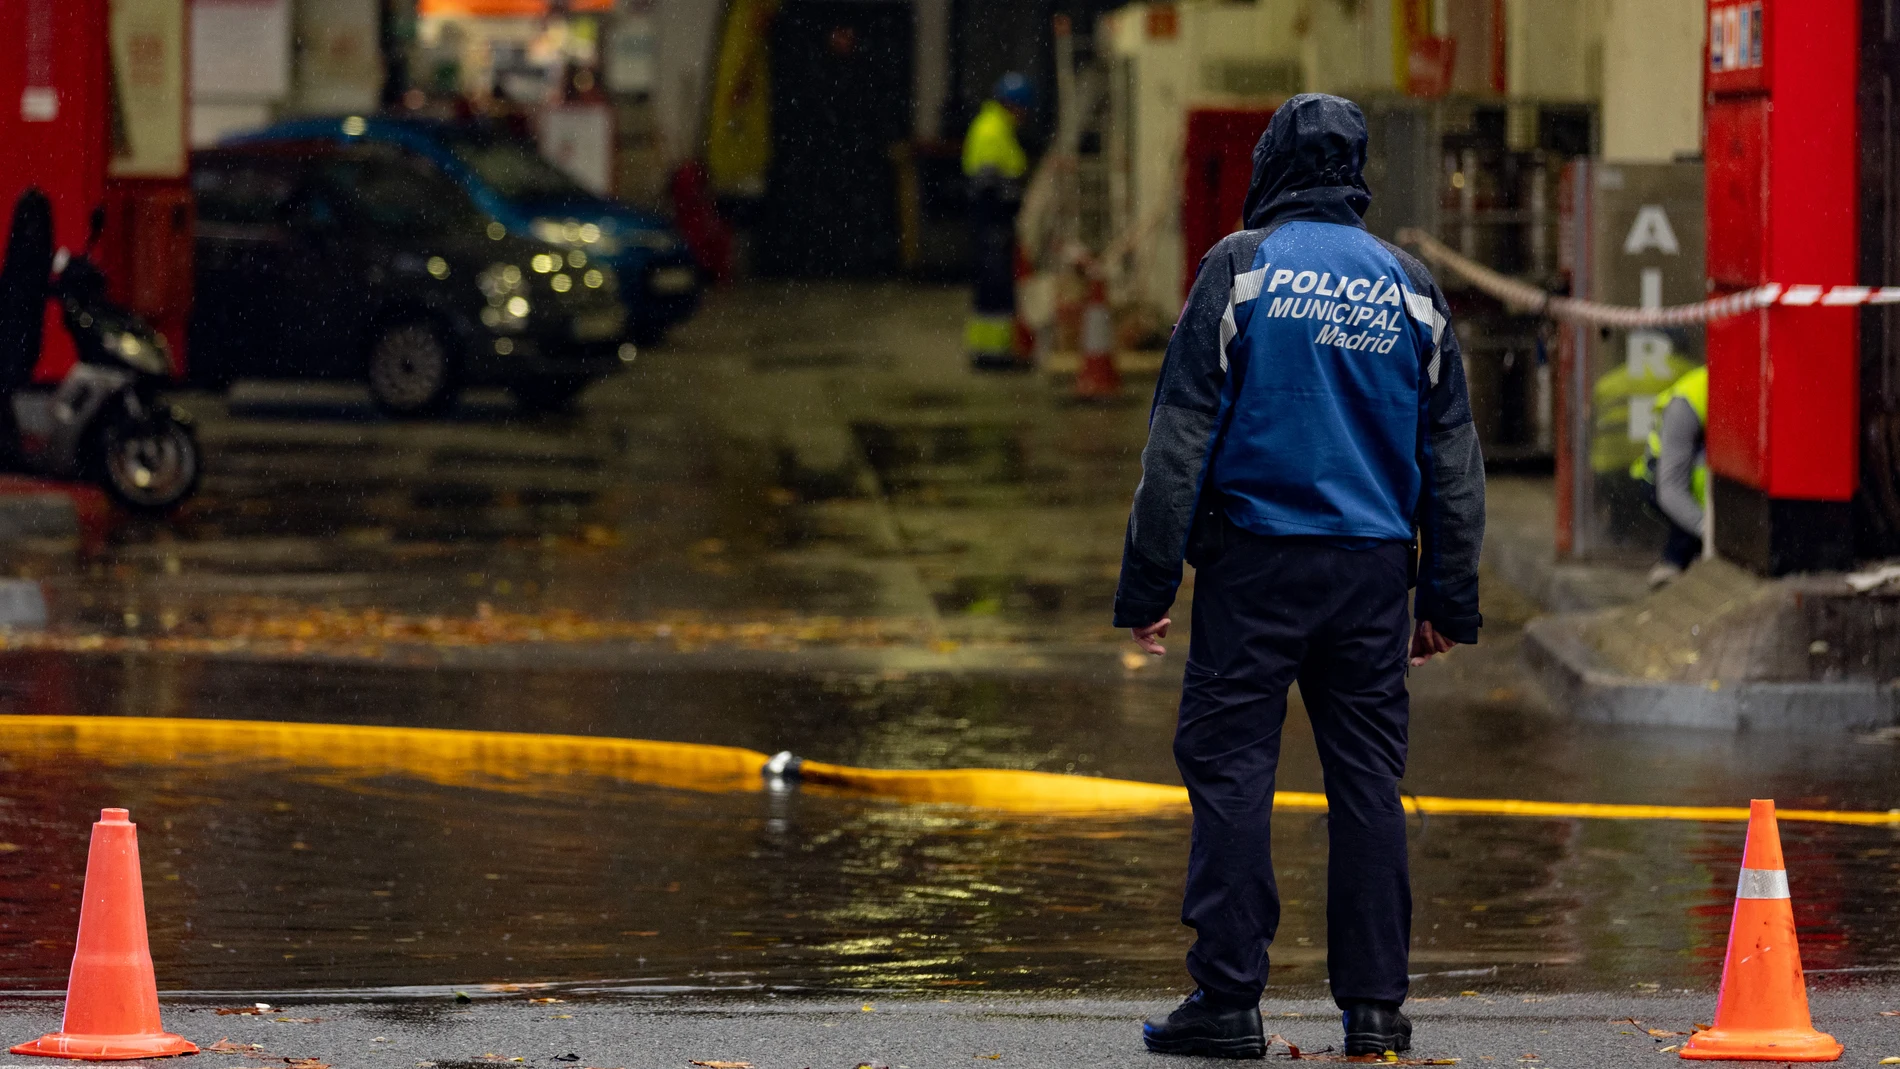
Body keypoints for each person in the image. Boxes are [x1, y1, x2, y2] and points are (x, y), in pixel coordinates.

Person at [1113, 94, 1484, 1060]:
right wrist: (1444, 596)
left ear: (1272, 163)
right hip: (1369, 575)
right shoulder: (1410, 286)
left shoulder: (1240, 269)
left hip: (1255, 565)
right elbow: (1452, 455)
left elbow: (1180, 439)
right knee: (1367, 784)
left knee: (1234, 772)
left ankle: (1229, 1001)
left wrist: (1150, 585)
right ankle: (1375, 1012)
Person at [962, 73, 1032, 370]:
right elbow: (988, 184)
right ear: (1014, 105)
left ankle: (990, 350)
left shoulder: (995, 126)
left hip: (992, 221)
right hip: (993, 221)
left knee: (993, 285)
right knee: (995, 285)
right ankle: (992, 354)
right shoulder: (992, 131)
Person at [1631, 363, 1707, 588]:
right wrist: (1708, 531)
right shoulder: (1689, 401)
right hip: (1659, 483)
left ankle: (1678, 560)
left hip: (1681, 485)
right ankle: (1675, 562)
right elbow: (1671, 490)